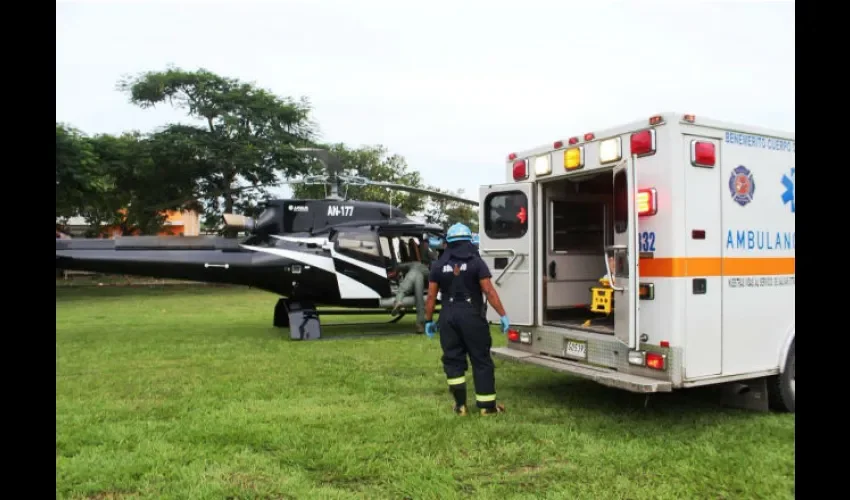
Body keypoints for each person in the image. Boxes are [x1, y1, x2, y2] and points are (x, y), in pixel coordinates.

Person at [423, 222, 510, 416]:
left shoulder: (438, 265)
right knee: (481, 360)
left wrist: (429, 320)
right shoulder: (476, 262)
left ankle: (460, 406)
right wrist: (503, 314)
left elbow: (430, 296)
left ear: (448, 243)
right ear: (469, 242)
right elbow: (488, 290)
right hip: (472, 316)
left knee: (453, 360)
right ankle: (487, 407)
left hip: (448, 316)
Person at [392, 259, 429, 333]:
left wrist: (396, 274)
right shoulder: (427, 270)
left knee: (402, 290)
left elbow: (399, 266)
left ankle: (398, 302)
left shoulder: (413, 263)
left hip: (411, 275)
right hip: (420, 279)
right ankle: (420, 326)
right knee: (419, 301)